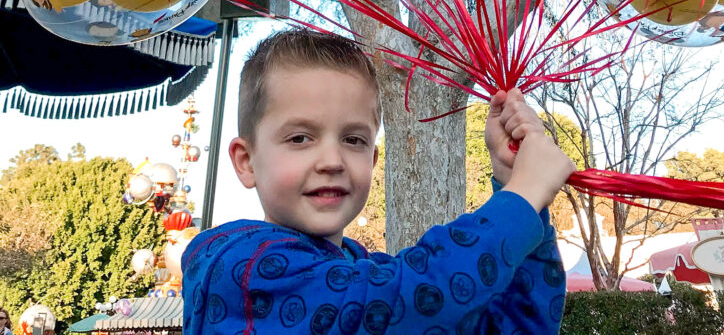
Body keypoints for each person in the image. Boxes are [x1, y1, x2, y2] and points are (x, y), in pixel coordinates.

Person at [182, 29, 576, 335]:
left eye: (353, 140)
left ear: (372, 159)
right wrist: (522, 198)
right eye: (300, 138)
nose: (333, 161)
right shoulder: (243, 269)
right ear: (246, 161)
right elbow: (419, 297)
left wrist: (513, 183)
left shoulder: (362, 269)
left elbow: (515, 326)